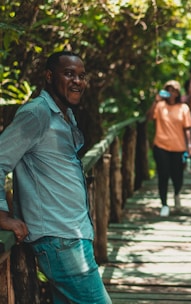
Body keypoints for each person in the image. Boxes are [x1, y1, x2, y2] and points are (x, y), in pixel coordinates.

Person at [0, 51, 112, 303]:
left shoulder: (63, 114)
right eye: (69, 74)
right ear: (49, 76)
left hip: (71, 234)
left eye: (81, 76)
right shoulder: (36, 113)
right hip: (60, 238)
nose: (77, 81)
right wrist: (2, 215)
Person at [147, 80, 191, 217]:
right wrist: (155, 101)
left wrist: (190, 144)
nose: (171, 93)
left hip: (178, 147)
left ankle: (177, 193)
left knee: (177, 176)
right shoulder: (160, 106)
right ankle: (164, 204)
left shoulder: (183, 108)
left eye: (174, 90)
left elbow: (187, 129)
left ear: (178, 93)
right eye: (168, 90)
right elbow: (149, 117)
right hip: (161, 145)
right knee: (163, 175)